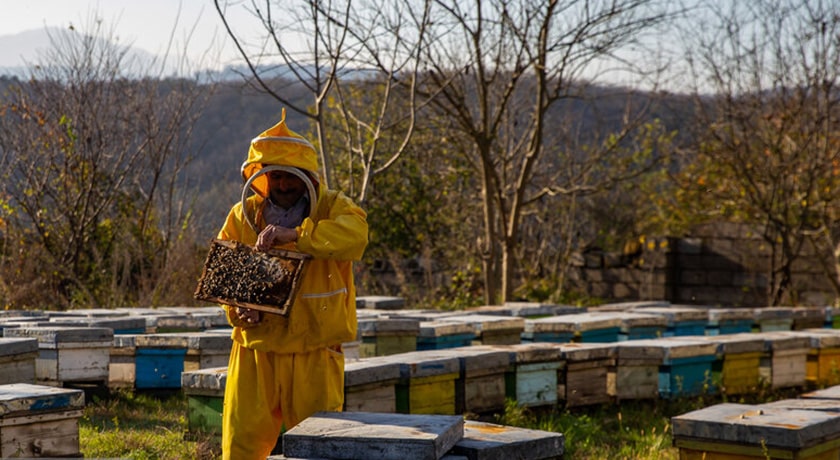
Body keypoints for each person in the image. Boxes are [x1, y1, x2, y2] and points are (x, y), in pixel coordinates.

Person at [216, 109, 368, 460]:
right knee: (240, 446)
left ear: (308, 179)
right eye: (277, 177)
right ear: (263, 178)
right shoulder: (242, 216)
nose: (283, 185)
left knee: (320, 446)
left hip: (314, 348)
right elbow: (223, 277)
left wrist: (298, 235)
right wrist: (237, 310)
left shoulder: (332, 207)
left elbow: (357, 237)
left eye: (291, 177)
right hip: (257, 349)